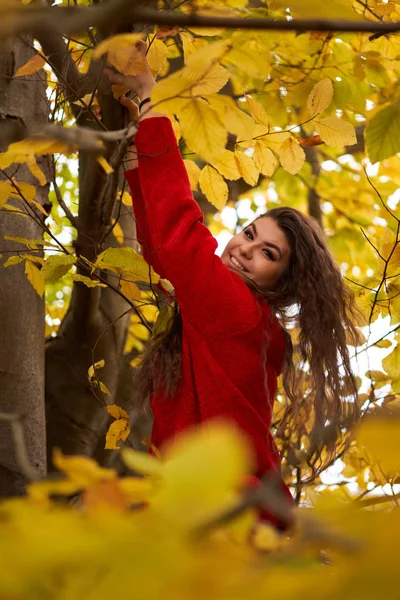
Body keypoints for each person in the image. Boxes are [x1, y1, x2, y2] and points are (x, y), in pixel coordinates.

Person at [104, 41, 361, 530]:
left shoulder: (240, 312)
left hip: (226, 517)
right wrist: (138, 154)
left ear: (281, 285)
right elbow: (162, 258)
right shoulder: (231, 316)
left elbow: (180, 240)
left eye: (268, 254)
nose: (244, 249)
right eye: (249, 233)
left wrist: (150, 96)